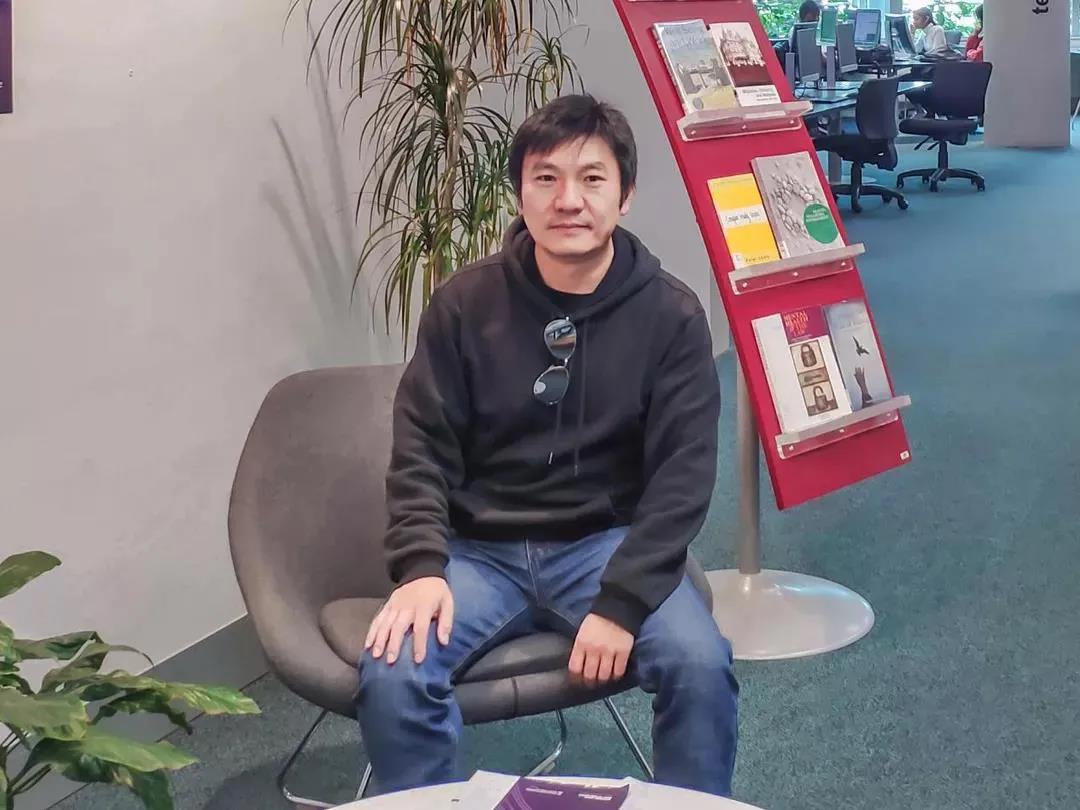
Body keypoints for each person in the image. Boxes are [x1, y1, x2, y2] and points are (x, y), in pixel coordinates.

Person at [357, 93, 739, 798]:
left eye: (592, 179)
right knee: (394, 672)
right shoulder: (464, 304)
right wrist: (420, 568)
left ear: (625, 195)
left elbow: (682, 480)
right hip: (480, 552)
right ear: (520, 194)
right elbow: (420, 448)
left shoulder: (672, 316)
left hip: (605, 546)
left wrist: (622, 602)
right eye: (546, 178)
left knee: (699, 664)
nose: (569, 200)